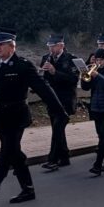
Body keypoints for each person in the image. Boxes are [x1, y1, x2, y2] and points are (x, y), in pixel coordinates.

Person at [0, 29, 65, 207]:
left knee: (6, 152)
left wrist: (59, 110)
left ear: (12, 46)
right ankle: (28, 189)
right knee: (14, 153)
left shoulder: (23, 65)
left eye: (2, 44)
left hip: (17, 116)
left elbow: (43, 88)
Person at [39, 34, 78, 171]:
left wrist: (55, 72)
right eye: (49, 46)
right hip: (52, 100)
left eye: (53, 46)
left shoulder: (71, 59)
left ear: (61, 46)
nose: (51, 49)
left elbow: (73, 80)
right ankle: (65, 156)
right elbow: (44, 79)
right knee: (58, 130)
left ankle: (53, 159)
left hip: (65, 100)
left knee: (57, 129)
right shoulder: (46, 58)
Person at [80, 48, 104, 176]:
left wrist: (98, 76)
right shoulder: (95, 72)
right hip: (96, 108)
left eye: (101, 59)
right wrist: (83, 76)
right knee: (102, 136)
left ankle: (98, 165)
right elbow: (85, 88)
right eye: (96, 59)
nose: (98, 62)